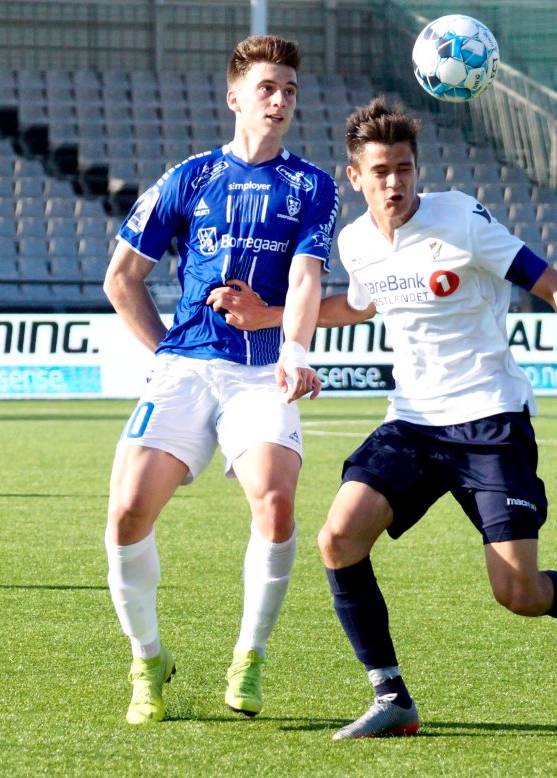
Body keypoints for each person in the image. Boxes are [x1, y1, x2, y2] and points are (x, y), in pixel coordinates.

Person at [207, 96, 557, 740]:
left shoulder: (460, 217)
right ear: (355, 176)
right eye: (380, 171)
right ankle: (390, 695)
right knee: (338, 537)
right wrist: (272, 317)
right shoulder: (355, 242)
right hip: (412, 422)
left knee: (519, 594)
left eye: (404, 168)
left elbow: (555, 284)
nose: (394, 183)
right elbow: (359, 306)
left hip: (490, 420)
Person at [102, 34, 339, 725]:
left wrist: (295, 351)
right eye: (267, 88)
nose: (280, 100)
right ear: (234, 96)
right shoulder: (190, 177)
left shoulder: (311, 186)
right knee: (127, 512)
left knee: (276, 501)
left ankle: (249, 656)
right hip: (184, 368)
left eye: (289, 90)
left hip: (262, 371)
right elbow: (121, 279)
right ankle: (148, 658)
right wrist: (166, 354)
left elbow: (306, 278)